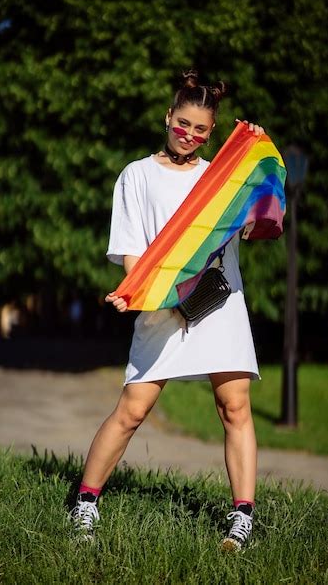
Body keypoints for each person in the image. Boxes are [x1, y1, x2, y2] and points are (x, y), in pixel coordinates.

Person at [68, 70, 265, 551]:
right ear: (168, 117)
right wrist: (137, 292)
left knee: (234, 407)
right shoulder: (136, 175)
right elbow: (132, 249)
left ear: (211, 132)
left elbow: (257, 224)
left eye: (200, 130)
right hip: (162, 308)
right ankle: (85, 502)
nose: (190, 135)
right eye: (183, 124)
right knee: (132, 411)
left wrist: (257, 156)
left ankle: (242, 517)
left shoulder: (221, 181)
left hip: (220, 304)